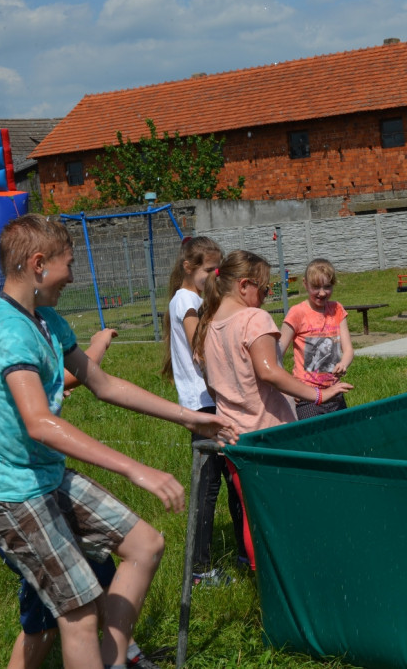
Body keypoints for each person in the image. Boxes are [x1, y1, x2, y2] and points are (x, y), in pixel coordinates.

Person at [0, 214, 238, 669]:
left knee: (144, 545)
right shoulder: (7, 331)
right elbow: (38, 422)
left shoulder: (46, 320)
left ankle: (111, 660)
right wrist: (135, 468)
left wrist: (192, 418)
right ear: (38, 264)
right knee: (78, 610)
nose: (73, 275)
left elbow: (104, 385)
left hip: (43, 478)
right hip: (6, 494)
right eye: (68, 264)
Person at [0, 310, 157, 669]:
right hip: (17, 507)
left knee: (98, 576)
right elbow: (75, 378)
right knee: (51, 616)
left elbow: (74, 377)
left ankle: (125, 653)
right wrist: (98, 343)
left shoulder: (11, 379)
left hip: (43, 496)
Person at [192, 250, 353, 568]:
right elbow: (269, 371)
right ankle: (294, 577)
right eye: (265, 289)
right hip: (269, 436)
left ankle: (262, 580)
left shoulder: (209, 325)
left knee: (255, 516)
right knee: (286, 514)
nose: (266, 297)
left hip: (233, 439)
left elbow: (212, 384)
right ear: (243, 286)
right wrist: (318, 395)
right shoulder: (253, 319)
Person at [162, 236, 246, 586]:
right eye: (210, 270)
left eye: (217, 270)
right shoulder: (187, 300)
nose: (214, 276)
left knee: (229, 479)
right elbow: (201, 351)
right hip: (204, 405)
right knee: (208, 487)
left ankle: (244, 553)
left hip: (210, 401)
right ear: (188, 267)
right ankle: (199, 568)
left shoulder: (192, 299)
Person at [280, 258, 354, 419]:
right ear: (305, 284)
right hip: (307, 396)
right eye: (316, 287)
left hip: (334, 392)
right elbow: (277, 353)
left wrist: (343, 364)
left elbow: (348, 350)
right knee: (313, 440)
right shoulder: (297, 313)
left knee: (341, 436)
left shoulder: (337, 310)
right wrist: (287, 390)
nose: (322, 292)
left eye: (327, 286)